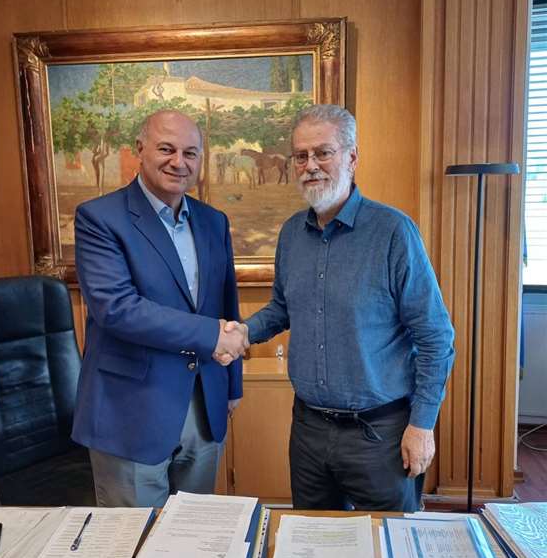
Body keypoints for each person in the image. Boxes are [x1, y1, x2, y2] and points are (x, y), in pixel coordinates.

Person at [224, 104, 455, 511]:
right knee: (312, 541)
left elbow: (436, 336)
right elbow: (281, 308)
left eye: (323, 152)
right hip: (308, 430)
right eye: (301, 156)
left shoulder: (393, 232)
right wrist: (244, 332)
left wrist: (422, 424)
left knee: (385, 543)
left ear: (351, 157)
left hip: (379, 435)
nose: (310, 165)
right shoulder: (291, 234)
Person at [72, 109, 247, 507]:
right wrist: (212, 335)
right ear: (140, 149)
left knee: (191, 533)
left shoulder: (213, 221)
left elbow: (226, 304)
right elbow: (118, 309)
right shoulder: (99, 218)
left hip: (204, 405)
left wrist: (232, 384)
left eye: (190, 153)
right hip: (130, 412)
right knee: (134, 539)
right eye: (166, 149)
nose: (178, 162)